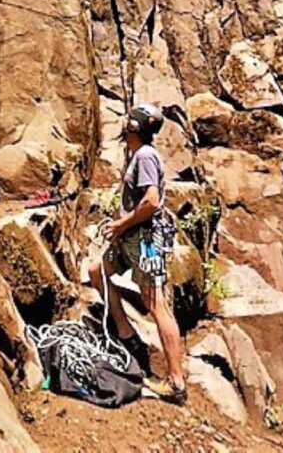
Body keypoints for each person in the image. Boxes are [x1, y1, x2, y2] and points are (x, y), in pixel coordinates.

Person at [88, 102, 187, 404]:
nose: (123, 122)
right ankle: (126, 333)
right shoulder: (138, 154)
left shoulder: (144, 156)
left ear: (134, 127)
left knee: (156, 304)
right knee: (97, 271)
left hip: (145, 240)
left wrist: (121, 224)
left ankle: (176, 383)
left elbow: (151, 202)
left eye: (128, 119)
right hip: (130, 238)